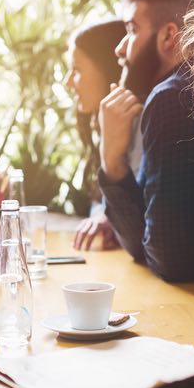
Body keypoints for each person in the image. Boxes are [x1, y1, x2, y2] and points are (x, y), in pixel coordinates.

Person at [97, 0, 194, 282]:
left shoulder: (172, 99)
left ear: (171, 36)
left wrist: (111, 159)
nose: (119, 49)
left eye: (131, 29)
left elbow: (168, 260)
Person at [63, 19, 128, 251]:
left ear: (108, 68)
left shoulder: (139, 131)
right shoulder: (99, 128)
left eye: (77, 70)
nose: (68, 81)